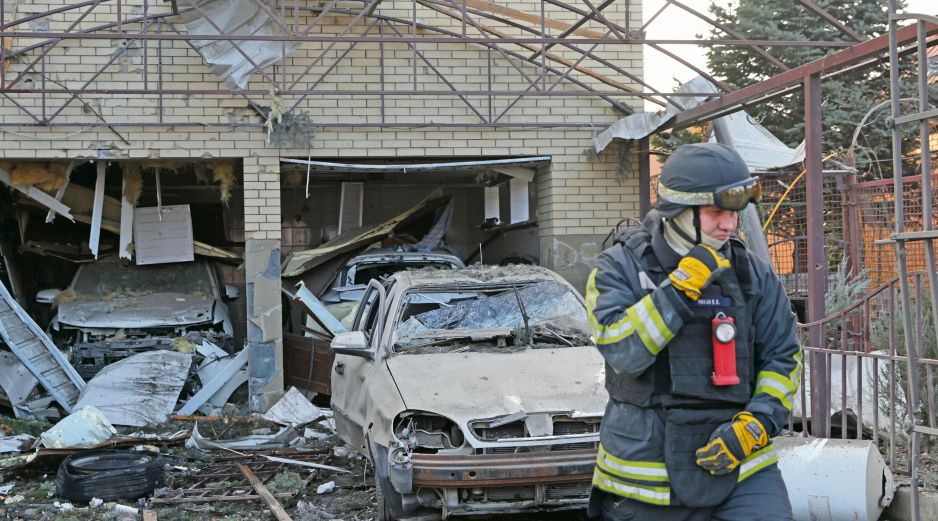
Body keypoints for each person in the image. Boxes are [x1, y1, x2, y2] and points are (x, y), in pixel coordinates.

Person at [585, 143, 803, 521]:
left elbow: (783, 358)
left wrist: (756, 424)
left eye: (734, 213)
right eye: (716, 212)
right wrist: (679, 289)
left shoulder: (752, 273)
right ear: (678, 212)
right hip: (645, 479)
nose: (730, 225)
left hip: (743, 469)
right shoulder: (617, 269)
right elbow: (622, 352)